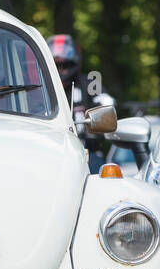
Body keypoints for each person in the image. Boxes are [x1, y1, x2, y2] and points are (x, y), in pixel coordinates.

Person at [48, 33, 114, 170]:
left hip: (87, 153)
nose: (60, 71)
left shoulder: (91, 81)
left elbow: (107, 102)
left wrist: (96, 121)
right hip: (50, 153)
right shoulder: (40, 88)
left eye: (65, 66)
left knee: (101, 178)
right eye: (56, 66)